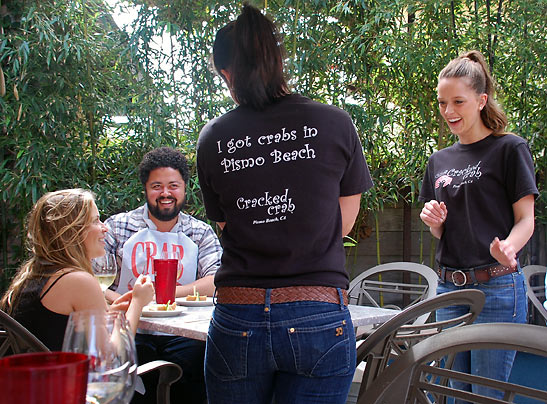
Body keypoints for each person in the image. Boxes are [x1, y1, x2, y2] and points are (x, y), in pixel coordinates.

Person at [196, 4, 373, 404]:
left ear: (226, 73)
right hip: (318, 312)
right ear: (278, 61)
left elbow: (228, 229)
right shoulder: (334, 122)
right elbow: (342, 224)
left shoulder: (213, 138)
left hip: (237, 317)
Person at [419, 50, 538, 401]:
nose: (448, 112)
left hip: (498, 289)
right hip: (449, 289)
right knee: (455, 395)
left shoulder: (510, 149)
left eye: (458, 101)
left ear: (481, 100)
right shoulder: (438, 160)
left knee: (486, 395)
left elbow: (525, 220)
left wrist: (508, 248)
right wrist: (434, 222)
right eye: (442, 103)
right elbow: (442, 230)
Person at [104, 146, 222, 404]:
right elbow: (94, 278)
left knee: (203, 364)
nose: (166, 193)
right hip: (130, 330)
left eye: (173, 186)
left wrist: (163, 295)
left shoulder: (199, 232)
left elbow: (216, 281)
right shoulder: (117, 226)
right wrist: (130, 301)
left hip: (184, 334)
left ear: (184, 188)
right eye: (157, 186)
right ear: (145, 188)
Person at [0, 189, 154, 351]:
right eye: (96, 221)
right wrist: (137, 303)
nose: (105, 228)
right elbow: (110, 356)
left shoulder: (32, 274)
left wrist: (112, 313)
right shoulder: (78, 281)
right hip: (64, 375)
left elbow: (53, 328)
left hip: (33, 373)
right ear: (72, 232)